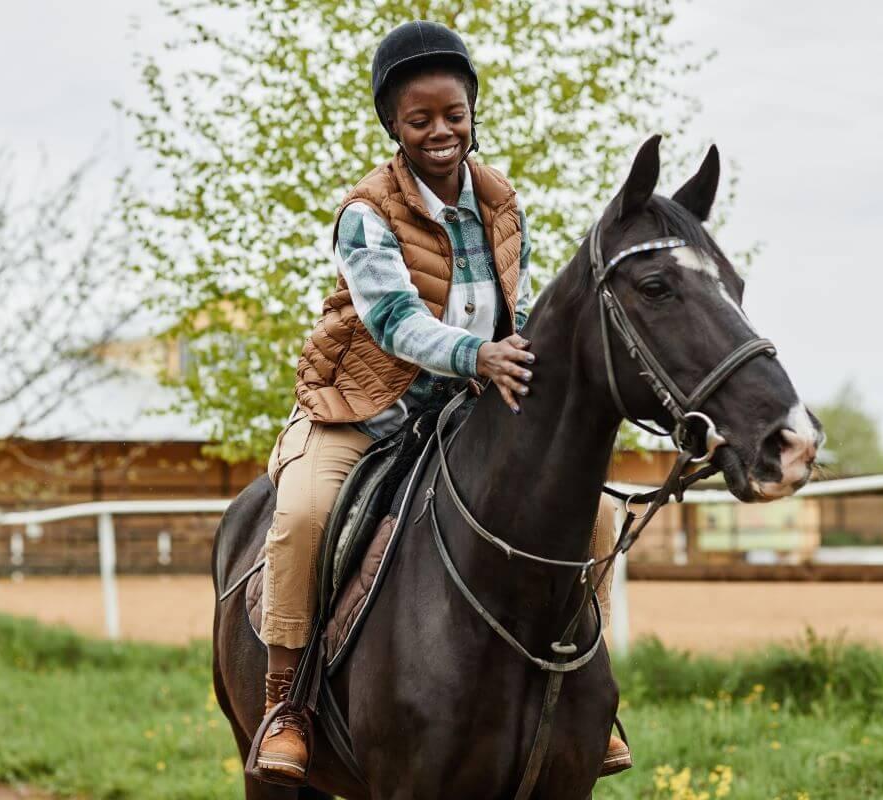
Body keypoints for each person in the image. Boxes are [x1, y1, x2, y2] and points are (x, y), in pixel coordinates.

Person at [253, 20, 628, 785]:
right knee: (301, 515)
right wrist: (478, 356)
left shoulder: (498, 199)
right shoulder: (365, 212)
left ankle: (581, 681)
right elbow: (393, 323)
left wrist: (525, 353)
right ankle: (286, 702)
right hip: (364, 406)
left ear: (472, 111)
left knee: (598, 513)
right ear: (394, 125)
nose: (440, 131)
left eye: (452, 114)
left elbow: (507, 308)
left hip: (464, 406)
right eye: (420, 119)